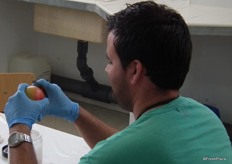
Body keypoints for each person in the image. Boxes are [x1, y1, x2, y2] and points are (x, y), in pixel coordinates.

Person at [4, 1, 232, 164]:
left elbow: (119, 153)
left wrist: (18, 128)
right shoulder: (208, 120)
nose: (106, 69)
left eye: (109, 61)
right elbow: (128, 148)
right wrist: (74, 112)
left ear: (134, 70)